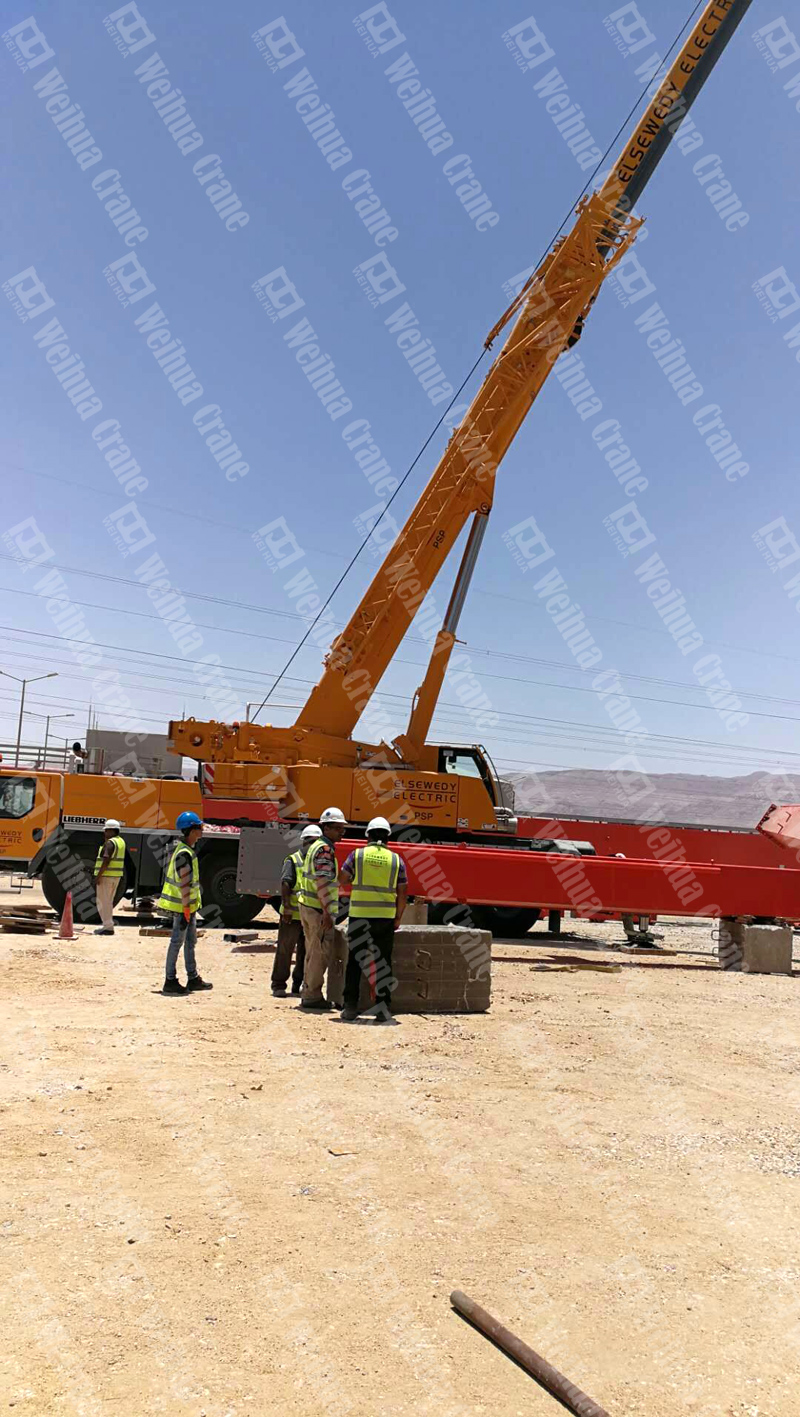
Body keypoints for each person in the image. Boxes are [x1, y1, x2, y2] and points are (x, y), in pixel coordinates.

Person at [339, 816, 407, 1024]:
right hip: (385, 919)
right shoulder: (396, 860)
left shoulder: (356, 856)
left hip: (359, 916)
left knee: (355, 961)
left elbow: (342, 879)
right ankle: (383, 1008)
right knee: (383, 962)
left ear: (367, 834)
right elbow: (403, 893)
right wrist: (397, 918)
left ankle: (350, 1007)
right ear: (387, 836)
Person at [298, 806, 348, 1011]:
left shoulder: (316, 847)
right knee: (320, 954)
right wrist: (327, 912)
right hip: (318, 910)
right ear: (326, 828)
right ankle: (312, 996)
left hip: (308, 906)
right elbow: (321, 882)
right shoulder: (325, 850)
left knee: (312, 951)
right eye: (338, 828)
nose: (341, 832)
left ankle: (308, 990)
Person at [158, 811, 213, 996]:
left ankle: (192, 977)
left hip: (188, 906)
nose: (201, 829)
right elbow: (184, 882)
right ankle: (170, 980)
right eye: (199, 827)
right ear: (191, 831)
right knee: (177, 942)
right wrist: (187, 908)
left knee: (190, 942)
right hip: (183, 907)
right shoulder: (184, 853)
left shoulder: (186, 850)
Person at [271, 824, 321, 997]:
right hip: (292, 914)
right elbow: (286, 883)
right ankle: (278, 984)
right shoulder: (293, 860)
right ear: (304, 842)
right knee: (285, 949)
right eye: (310, 841)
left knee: (305, 952)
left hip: (309, 914)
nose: (312, 845)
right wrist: (286, 908)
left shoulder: (319, 862)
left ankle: (298, 984)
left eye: (315, 841)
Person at [93, 818, 125, 936]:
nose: (104, 833)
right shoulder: (120, 841)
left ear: (111, 831)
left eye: (106, 830)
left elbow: (106, 861)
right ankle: (108, 925)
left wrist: (98, 877)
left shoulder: (110, 843)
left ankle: (108, 927)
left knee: (103, 902)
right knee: (108, 902)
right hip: (116, 877)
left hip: (106, 877)